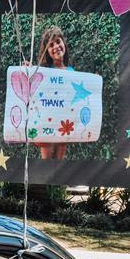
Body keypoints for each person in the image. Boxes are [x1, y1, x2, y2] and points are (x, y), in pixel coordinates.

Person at [36, 26, 73, 160]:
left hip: (64, 125)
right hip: (47, 124)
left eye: (58, 41)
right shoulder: (43, 72)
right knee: (46, 162)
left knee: (59, 162)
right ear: (47, 52)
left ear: (63, 43)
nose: (56, 46)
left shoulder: (72, 72)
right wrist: (28, 70)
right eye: (51, 45)